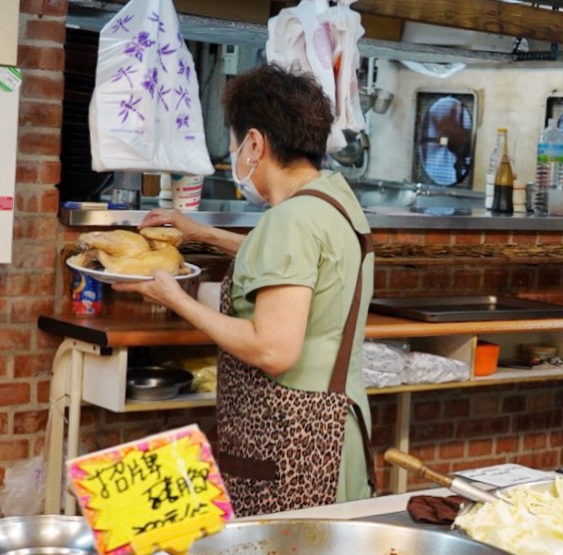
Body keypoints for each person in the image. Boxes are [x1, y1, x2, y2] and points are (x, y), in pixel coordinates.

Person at [122, 65, 374, 515]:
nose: (237, 154)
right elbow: (298, 267)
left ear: (256, 143)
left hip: (294, 440)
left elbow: (274, 350)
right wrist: (203, 233)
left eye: (237, 144)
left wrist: (175, 299)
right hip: (339, 428)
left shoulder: (290, 220)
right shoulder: (332, 200)